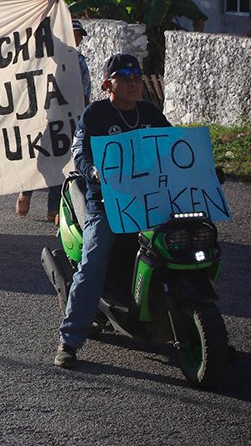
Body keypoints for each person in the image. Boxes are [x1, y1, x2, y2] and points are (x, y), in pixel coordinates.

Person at [54, 54, 171, 369]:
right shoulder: (96, 114)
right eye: (126, 76)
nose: (134, 82)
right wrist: (92, 170)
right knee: (93, 261)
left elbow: (173, 147)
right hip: (108, 203)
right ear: (108, 84)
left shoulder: (150, 113)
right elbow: (80, 153)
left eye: (137, 76)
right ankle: (70, 340)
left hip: (151, 200)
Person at [17, 19, 93, 222]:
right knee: (40, 159)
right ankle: (27, 189)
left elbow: (85, 90)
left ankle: (54, 208)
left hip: (68, 119)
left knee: (60, 160)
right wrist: (47, 5)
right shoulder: (48, 57)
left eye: (79, 36)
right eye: (74, 34)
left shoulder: (79, 61)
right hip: (43, 117)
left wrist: (82, 116)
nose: (77, 39)